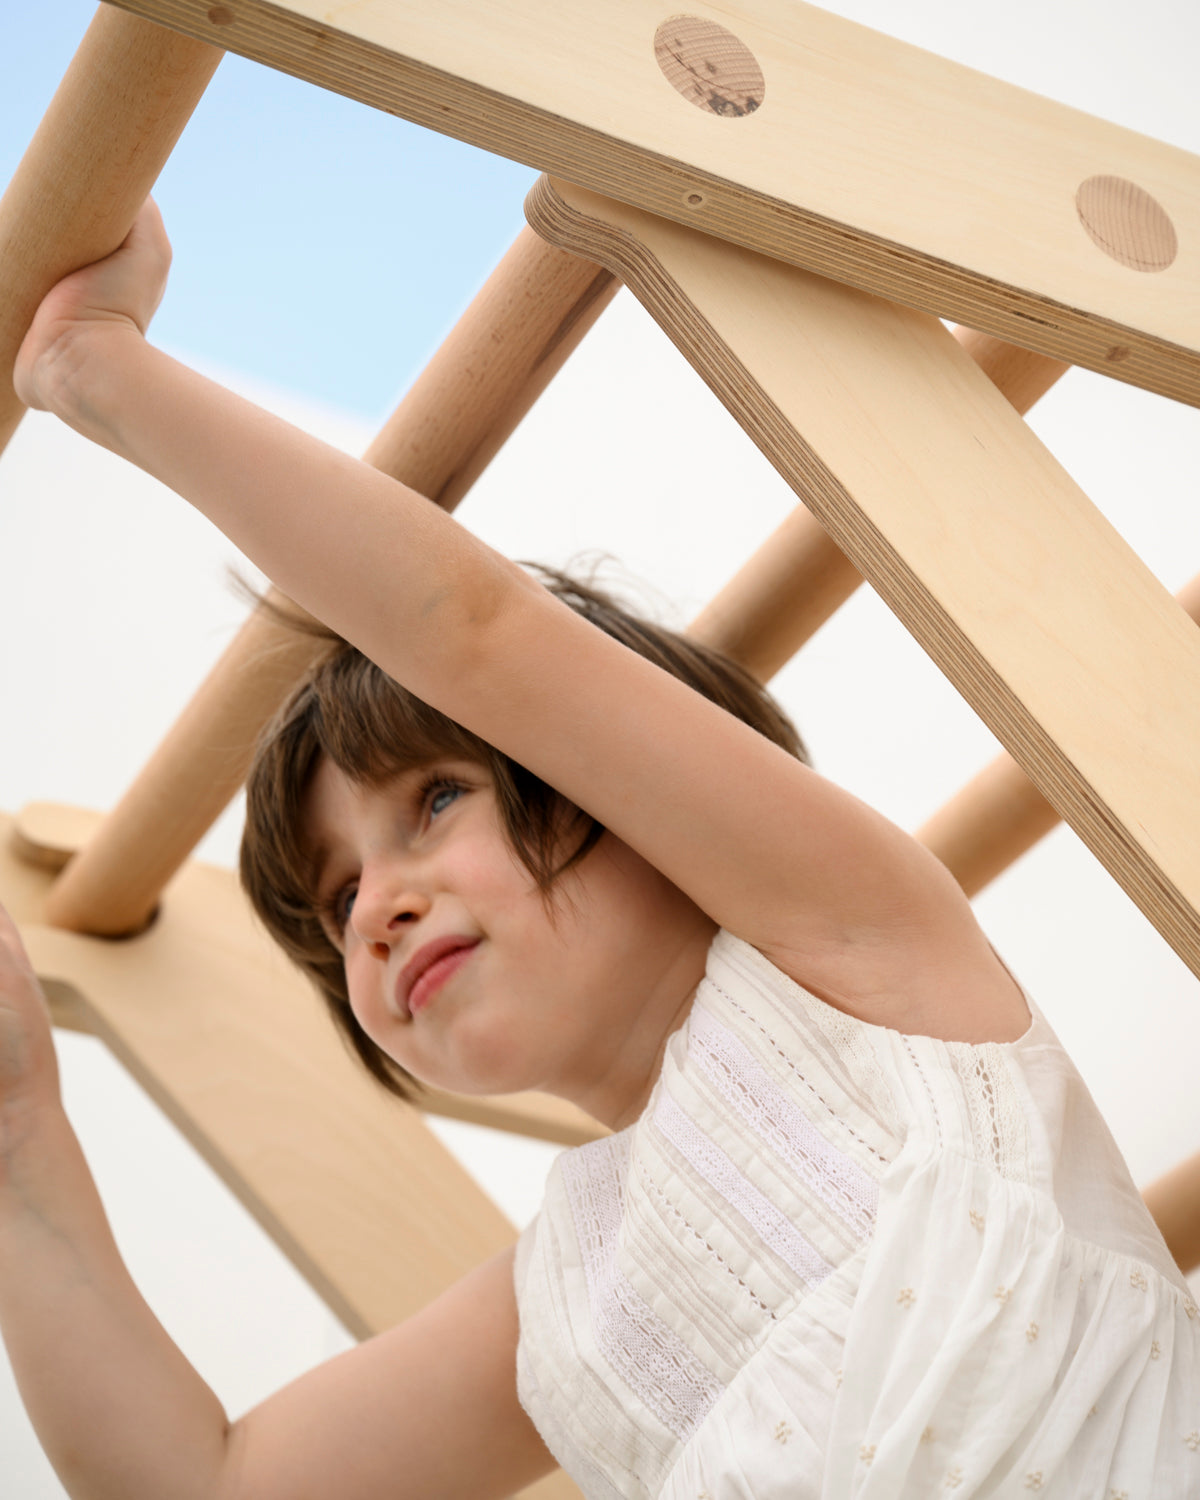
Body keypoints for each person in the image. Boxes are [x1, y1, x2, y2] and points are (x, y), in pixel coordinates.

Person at [0, 201, 1195, 1499]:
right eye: (338, 896)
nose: (374, 911)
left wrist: (98, 368)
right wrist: (19, 1131)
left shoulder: (858, 954)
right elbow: (202, 1485)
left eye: (437, 801)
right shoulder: (561, 1299)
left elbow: (475, 634)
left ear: (622, 776)